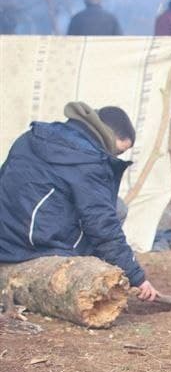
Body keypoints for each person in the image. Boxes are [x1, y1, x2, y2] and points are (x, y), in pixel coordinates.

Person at [0, 102, 159, 301]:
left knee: (108, 207)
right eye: (117, 151)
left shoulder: (33, 136)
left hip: (5, 236)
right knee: (116, 210)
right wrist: (138, 277)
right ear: (106, 136)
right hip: (35, 246)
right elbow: (103, 226)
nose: (115, 156)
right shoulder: (89, 162)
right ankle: (93, 277)